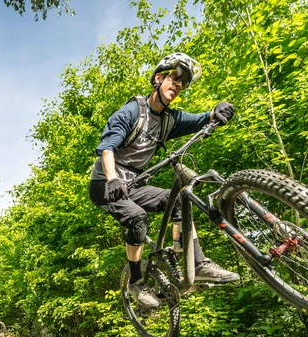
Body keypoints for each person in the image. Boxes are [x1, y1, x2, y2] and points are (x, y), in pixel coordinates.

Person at [88, 52, 238, 308]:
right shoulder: (131, 112)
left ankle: (195, 262)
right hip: (106, 183)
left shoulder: (170, 120)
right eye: (175, 77)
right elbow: (107, 148)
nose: (178, 85)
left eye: (183, 83)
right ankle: (136, 281)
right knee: (136, 218)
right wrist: (112, 179)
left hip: (135, 184)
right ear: (159, 78)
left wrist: (219, 110)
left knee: (179, 200)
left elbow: (203, 118)